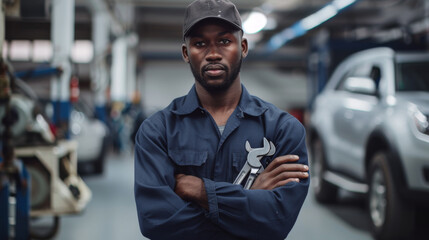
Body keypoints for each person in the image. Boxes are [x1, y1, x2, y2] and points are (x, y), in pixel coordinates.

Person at [134, 0, 309, 239]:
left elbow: (278, 221)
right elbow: (155, 221)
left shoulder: (283, 130)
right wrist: (247, 198)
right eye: (199, 43)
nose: (213, 54)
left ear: (243, 47)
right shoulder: (158, 131)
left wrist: (201, 191)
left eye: (225, 41)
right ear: (186, 53)